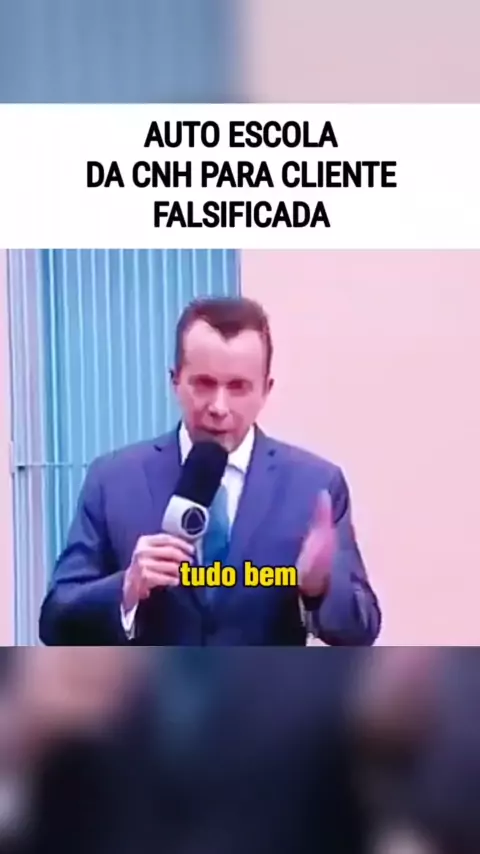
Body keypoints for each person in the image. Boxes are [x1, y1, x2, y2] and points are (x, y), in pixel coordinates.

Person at [39, 296, 381, 646]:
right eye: (203, 383)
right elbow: (55, 621)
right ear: (175, 381)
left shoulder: (314, 486)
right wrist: (126, 588)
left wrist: (318, 588)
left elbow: (363, 628)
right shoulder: (113, 480)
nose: (219, 407)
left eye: (238, 387)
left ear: (266, 390)